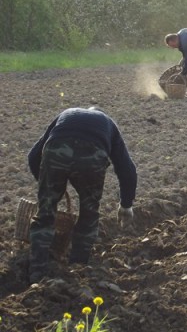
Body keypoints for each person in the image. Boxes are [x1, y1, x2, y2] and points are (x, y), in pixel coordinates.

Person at [27, 107, 137, 283]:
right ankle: (77, 269)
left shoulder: (66, 114)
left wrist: (48, 187)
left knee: (45, 215)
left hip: (56, 149)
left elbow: (33, 156)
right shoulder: (108, 123)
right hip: (91, 155)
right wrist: (126, 205)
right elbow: (127, 169)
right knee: (89, 215)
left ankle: (37, 273)